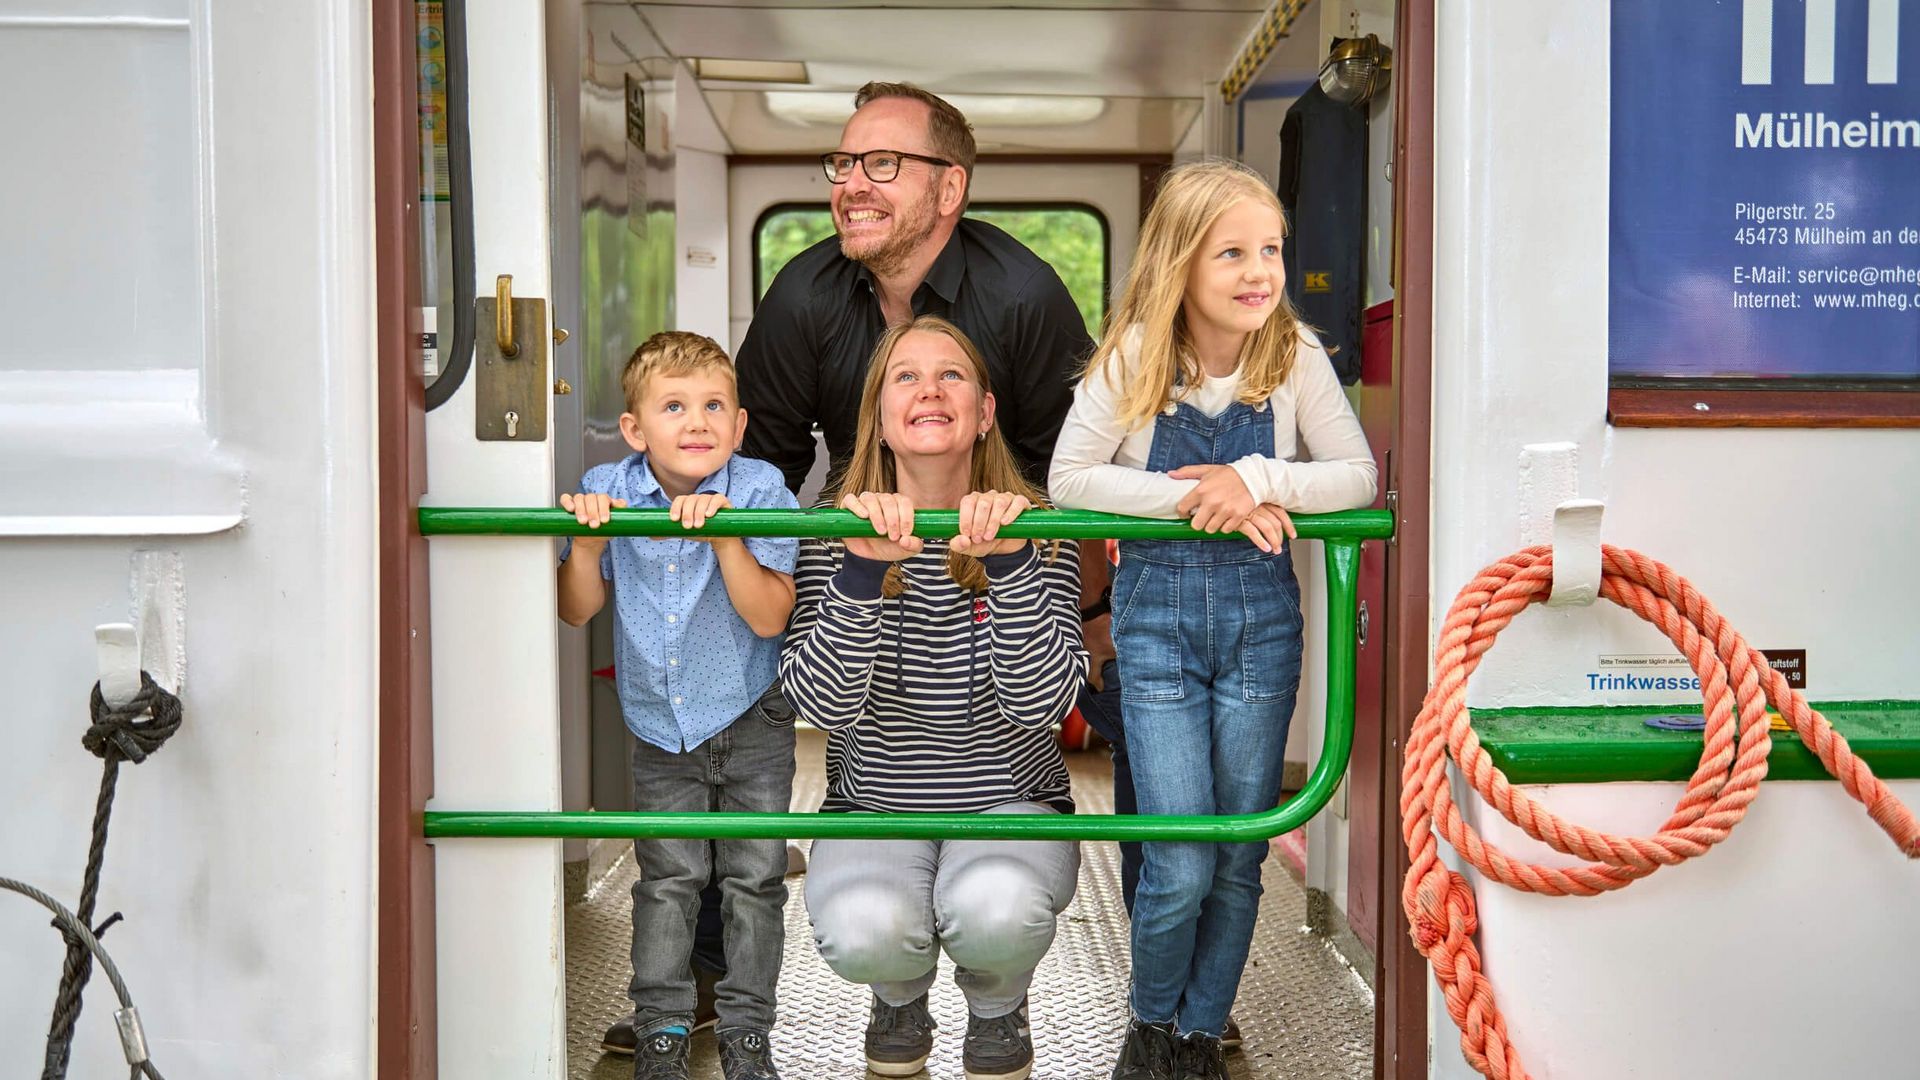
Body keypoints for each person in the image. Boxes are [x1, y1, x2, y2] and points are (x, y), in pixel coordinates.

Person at [1048, 161, 1378, 1080]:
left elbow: (1356, 477)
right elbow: (1069, 480)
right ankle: (1149, 1025)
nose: (1257, 270)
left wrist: (1260, 480)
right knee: (1183, 858)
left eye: (1269, 249)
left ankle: (1197, 1039)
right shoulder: (1133, 359)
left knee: (1238, 856)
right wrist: (1196, 499)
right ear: (1179, 262)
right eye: (1231, 251)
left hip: (1259, 630)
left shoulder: (1295, 356)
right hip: (1154, 632)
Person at [780, 317, 1087, 1080]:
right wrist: (857, 578)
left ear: (984, 411)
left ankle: (996, 1003)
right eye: (905, 377)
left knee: (995, 915)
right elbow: (820, 702)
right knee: (865, 930)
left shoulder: (1043, 527)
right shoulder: (829, 532)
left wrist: (1012, 569)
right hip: (876, 804)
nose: (929, 391)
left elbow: (1044, 704)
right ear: (879, 419)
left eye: (951, 375)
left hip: (1012, 802)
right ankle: (899, 995)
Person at [557, 331, 802, 1080]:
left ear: (738, 424)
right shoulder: (614, 487)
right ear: (635, 429)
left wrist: (729, 540)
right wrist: (590, 548)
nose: (696, 422)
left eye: (712, 406)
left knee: (753, 880)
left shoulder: (761, 490)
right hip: (660, 725)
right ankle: (663, 1028)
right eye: (673, 406)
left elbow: (770, 617)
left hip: (751, 716)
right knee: (666, 879)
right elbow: (575, 612)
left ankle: (746, 1034)